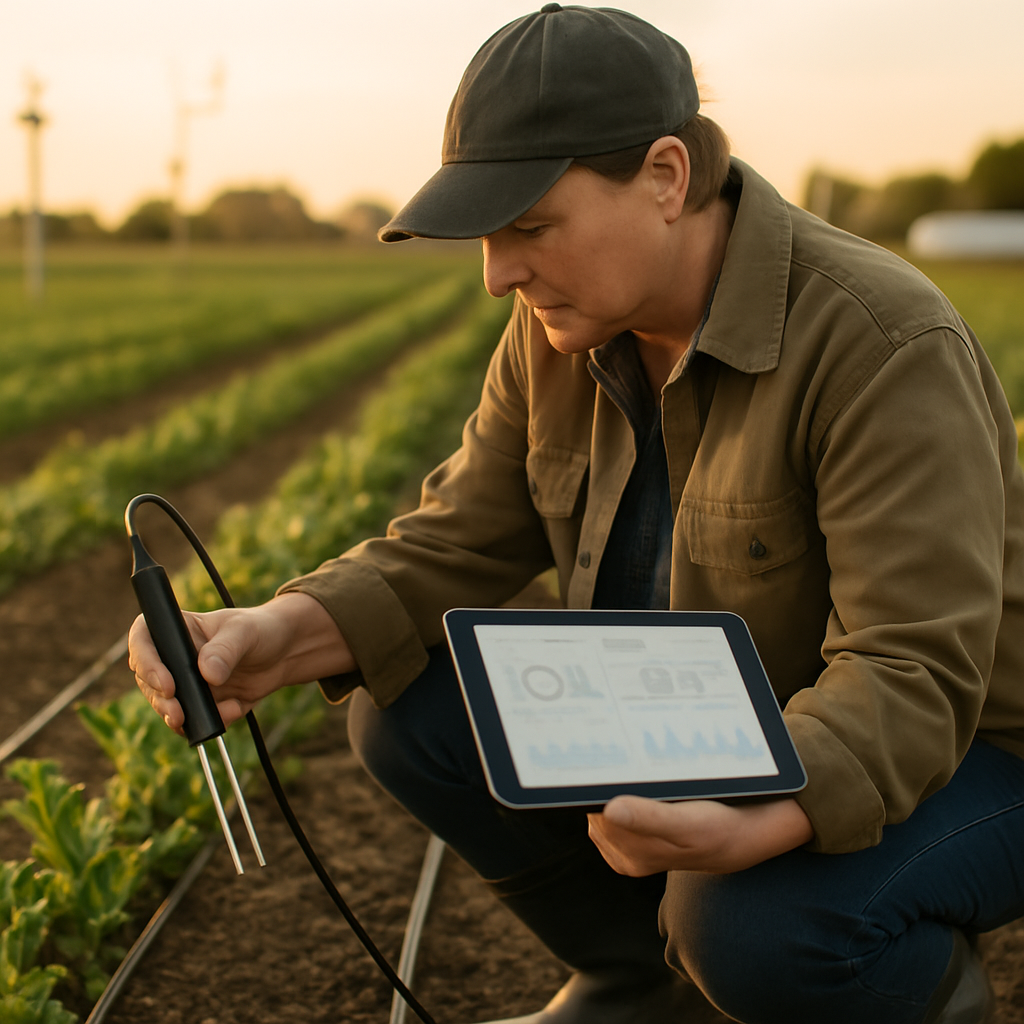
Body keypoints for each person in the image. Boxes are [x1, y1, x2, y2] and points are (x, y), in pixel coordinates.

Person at [130, 6, 1024, 1023]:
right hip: (731, 710)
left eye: (530, 227)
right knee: (410, 697)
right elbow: (460, 533)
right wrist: (276, 630)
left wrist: (747, 824)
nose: (496, 273)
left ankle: (921, 1003)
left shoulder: (877, 340)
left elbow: (912, 675)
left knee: (745, 921)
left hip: (972, 752)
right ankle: (637, 986)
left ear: (666, 177)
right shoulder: (556, 331)